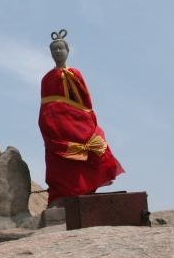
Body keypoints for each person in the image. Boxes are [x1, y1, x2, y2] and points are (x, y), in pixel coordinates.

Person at [38, 29, 124, 206]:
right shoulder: (47, 78)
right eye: (54, 50)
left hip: (77, 124)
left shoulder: (76, 74)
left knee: (87, 154)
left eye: (60, 49)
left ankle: (85, 190)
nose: (57, 52)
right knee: (60, 164)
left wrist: (88, 123)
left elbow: (85, 103)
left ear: (67, 51)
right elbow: (46, 107)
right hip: (57, 126)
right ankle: (63, 197)